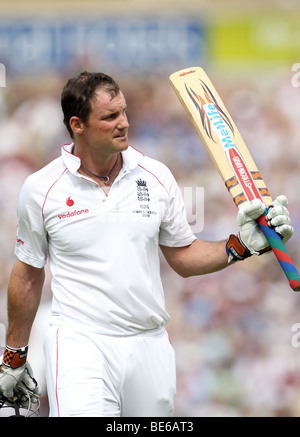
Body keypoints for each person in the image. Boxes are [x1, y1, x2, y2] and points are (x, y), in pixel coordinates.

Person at [0, 72, 293, 417]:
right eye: (110, 117)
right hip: (80, 341)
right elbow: (28, 273)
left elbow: (183, 257)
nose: (123, 123)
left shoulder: (156, 177)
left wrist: (240, 246)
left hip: (149, 342)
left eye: (124, 112)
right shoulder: (41, 188)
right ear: (77, 124)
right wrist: (14, 355)